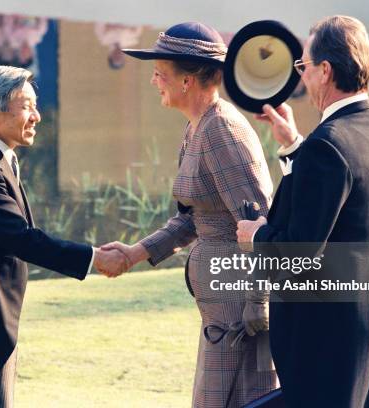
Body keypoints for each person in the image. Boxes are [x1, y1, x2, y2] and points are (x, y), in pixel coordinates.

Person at [0, 66, 128, 408]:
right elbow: (22, 239)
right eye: (27, 106)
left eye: (36, 105)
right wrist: (94, 258)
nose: (36, 116)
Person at [237, 16, 369, 408]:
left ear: (326, 71)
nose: (303, 77)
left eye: (304, 67)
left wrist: (256, 236)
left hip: (328, 331)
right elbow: (346, 199)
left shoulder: (328, 146)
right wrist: (293, 145)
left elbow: (299, 254)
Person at [103, 22, 277, 407]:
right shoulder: (196, 126)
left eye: (159, 72)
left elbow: (262, 225)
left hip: (239, 315)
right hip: (219, 310)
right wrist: (136, 253)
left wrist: (258, 305)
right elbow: (191, 218)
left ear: (187, 81)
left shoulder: (222, 131)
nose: (153, 81)